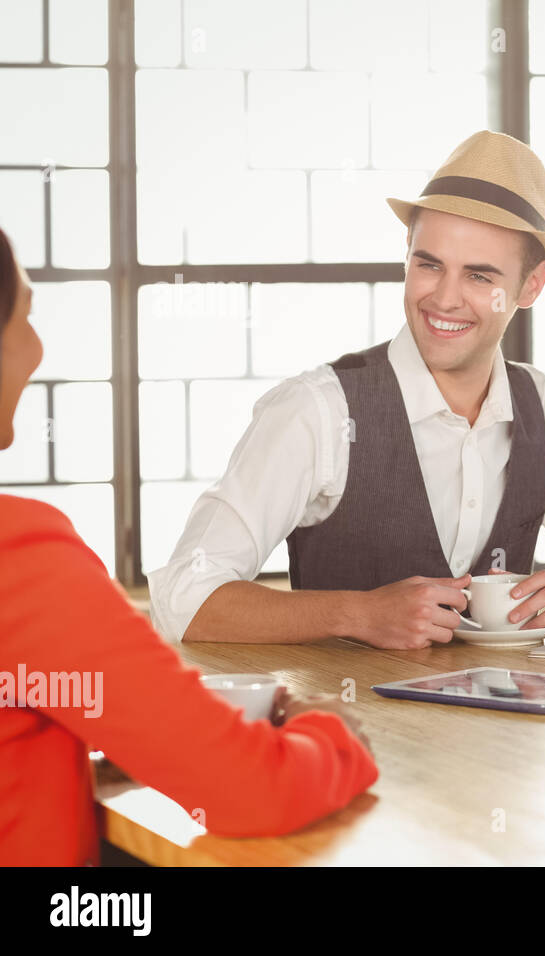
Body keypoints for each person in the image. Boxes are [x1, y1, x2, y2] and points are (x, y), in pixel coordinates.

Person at [148, 131, 545, 648]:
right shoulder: (318, 410)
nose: (443, 299)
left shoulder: (544, 407)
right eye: (429, 265)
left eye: (479, 276)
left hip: (507, 738)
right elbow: (185, 597)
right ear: (407, 252)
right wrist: (357, 614)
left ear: (531, 286)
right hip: (351, 733)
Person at [0, 226, 378, 865]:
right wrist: (333, 734)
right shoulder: (22, 556)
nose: (37, 349)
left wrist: (122, 730)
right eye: (26, 317)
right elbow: (256, 791)